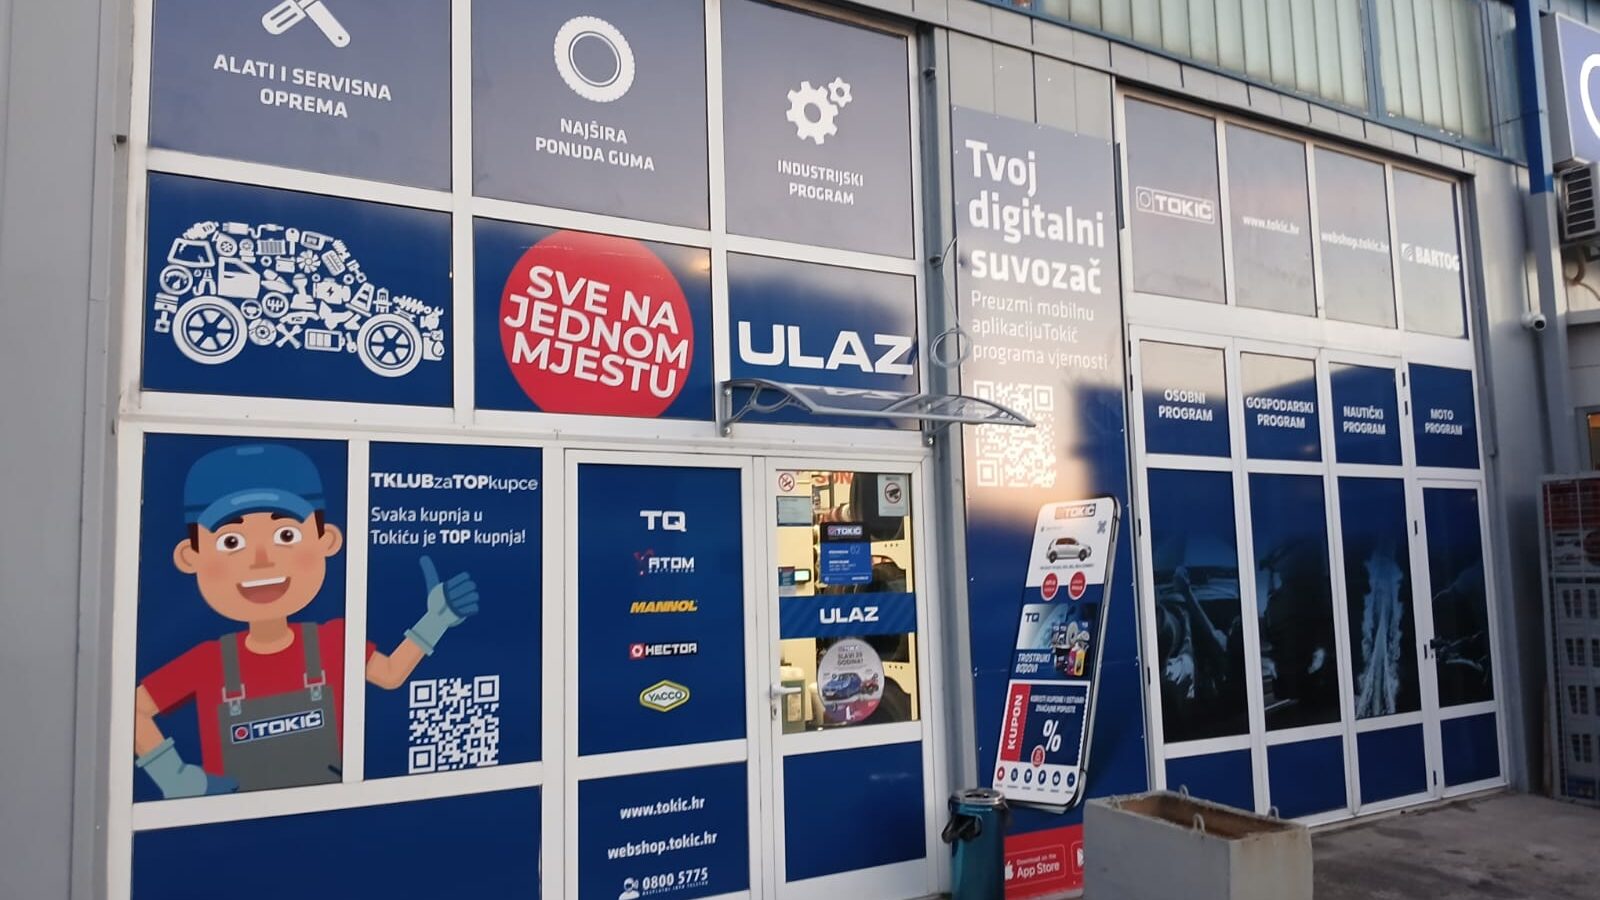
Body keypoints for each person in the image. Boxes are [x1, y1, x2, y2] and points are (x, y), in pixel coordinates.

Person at [133, 444, 480, 798]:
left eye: (286, 535)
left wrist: (436, 620)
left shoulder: (332, 642)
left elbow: (390, 675)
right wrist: (175, 777)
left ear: (326, 540)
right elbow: (133, 711)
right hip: (235, 823)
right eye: (231, 541)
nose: (261, 560)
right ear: (190, 556)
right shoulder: (208, 662)